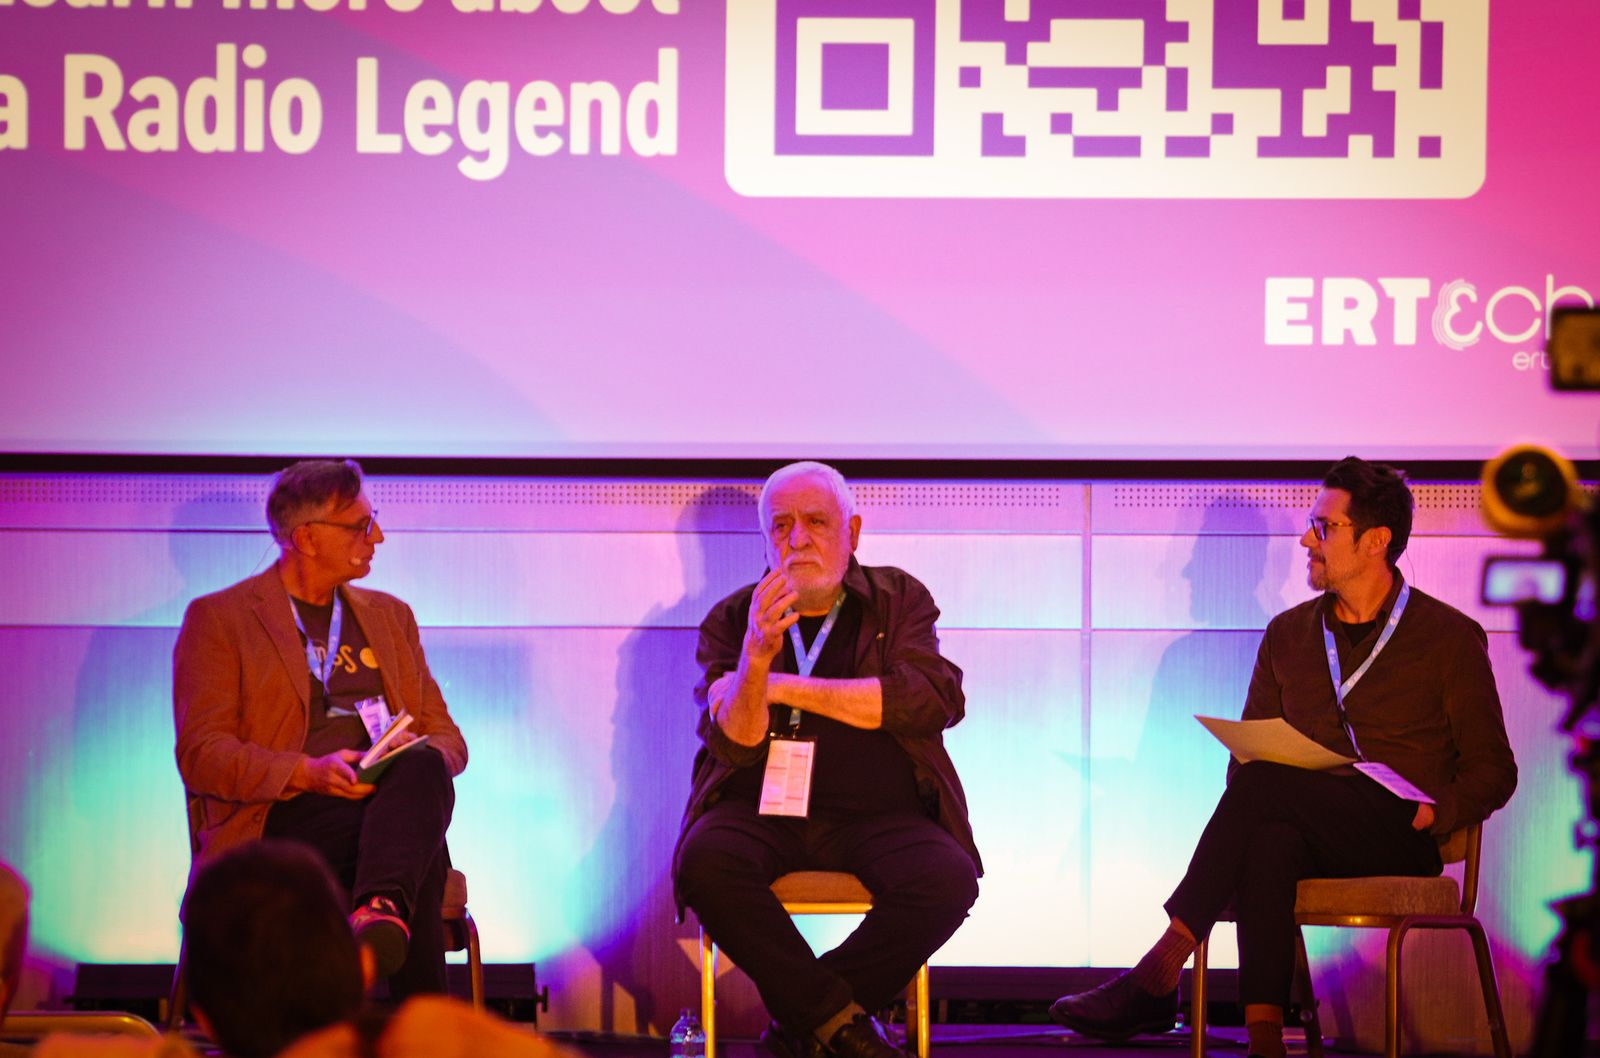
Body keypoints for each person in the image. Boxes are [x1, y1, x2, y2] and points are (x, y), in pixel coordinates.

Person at [1048, 457, 1518, 1058]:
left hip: (1400, 829)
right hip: (1306, 821)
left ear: (1376, 541)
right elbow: (1245, 766)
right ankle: (1265, 1039)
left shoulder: (1447, 637)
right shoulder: (1288, 634)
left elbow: (1494, 769)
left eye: (1324, 528)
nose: (1306, 541)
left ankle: (1160, 970)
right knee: (1268, 834)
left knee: (1264, 789)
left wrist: (1438, 811)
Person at [673, 461, 981, 1058]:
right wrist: (756, 657)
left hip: (878, 814)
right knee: (703, 862)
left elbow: (927, 701)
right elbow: (734, 741)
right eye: (781, 525)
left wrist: (780, 686)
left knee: (948, 878)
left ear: (852, 532)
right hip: (760, 811)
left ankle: (803, 1027)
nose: (797, 539)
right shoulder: (734, 620)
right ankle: (835, 1026)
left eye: (816, 521)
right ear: (765, 538)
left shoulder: (898, 600)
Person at [173, 459, 467, 993]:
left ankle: (379, 911)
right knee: (411, 854)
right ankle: (412, 1007)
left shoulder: (391, 617)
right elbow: (202, 753)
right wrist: (307, 772)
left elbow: (449, 741)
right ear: (307, 538)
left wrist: (402, 756)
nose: (377, 536)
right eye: (360, 526)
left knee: (421, 769)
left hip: (388, 802)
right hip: (283, 815)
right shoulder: (221, 619)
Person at [36, 841, 559, 1058]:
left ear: (203, 1015)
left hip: (377, 813)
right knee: (414, 853)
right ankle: (384, 906)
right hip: (287, 801)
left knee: (420, 770)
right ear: (363, 967)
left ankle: (383, 898)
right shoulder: (448, 1038)